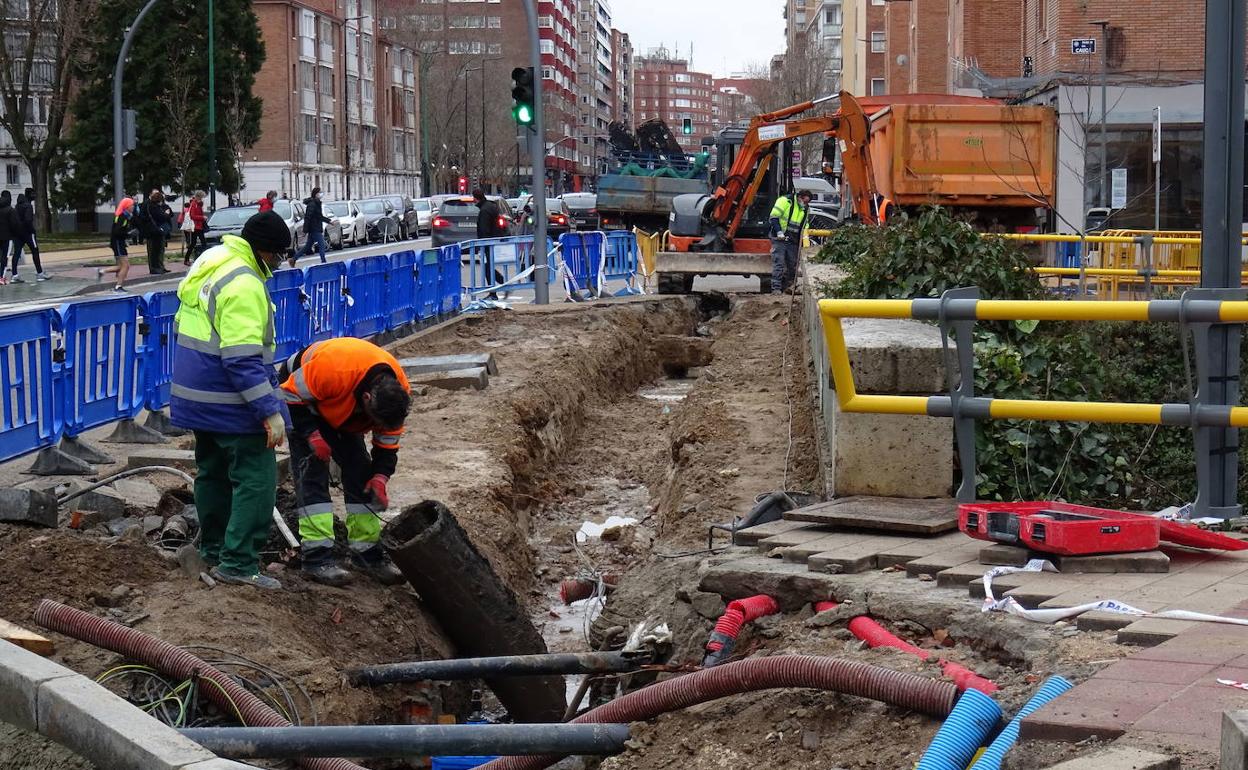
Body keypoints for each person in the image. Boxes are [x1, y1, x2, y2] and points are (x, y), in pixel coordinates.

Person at [170, 210, 292, 590]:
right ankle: (238, 564)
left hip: (197, 397)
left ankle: (213, 547)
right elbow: (241, 359)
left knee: (213, 474)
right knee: (256, 479)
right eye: (279, 255)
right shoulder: (245, 284)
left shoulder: (212, 259)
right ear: (265, 251)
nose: (279, 262)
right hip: (230, 399)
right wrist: (269, 411)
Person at [279, 337, 411, 586]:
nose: (377, 429)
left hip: (341, 406)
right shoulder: (334, 370)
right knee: (312, 475)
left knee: (361, 473)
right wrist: (312, 434)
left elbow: (387, 445)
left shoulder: (397, 396)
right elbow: (290, 392)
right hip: (303, 398)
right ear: (368, 399)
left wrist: (380, 477)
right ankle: (316, 559)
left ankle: (366, 554)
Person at [768, 189, 811, 295]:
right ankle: (776, 289)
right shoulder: (785, 201)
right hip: (780, 238)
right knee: (779, 263)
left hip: (793, 240)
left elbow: (805, 225)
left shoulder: (805, 209)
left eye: (807, 202)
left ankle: (790, 287)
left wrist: (804, 241)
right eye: (804, 201)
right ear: (799, 197)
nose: (805, 204)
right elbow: (774, 217)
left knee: (792, 265)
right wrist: (779, 231)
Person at [290, 186, 332, 268]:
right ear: (316, 194)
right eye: (320, 192)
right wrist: (305, 230)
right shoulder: (312, 204)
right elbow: (308, 217)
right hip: (314, 228)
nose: (321, 194)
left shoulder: (316, 203)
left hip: (315, 227)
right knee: (322, 244)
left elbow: (319, 216)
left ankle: (293, 259)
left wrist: (329, 221)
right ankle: (323, 261)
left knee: (307, 247)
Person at [10, 189, 47, 282]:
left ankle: (14, 275)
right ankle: (40, 274)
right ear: (29, 195)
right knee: (35, 251)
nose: (34, 196)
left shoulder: (17, 206)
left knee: (17, 253)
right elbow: (28, 220)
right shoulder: (28, 206)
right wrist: (32, 231)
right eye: (33, 194)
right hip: (28, 233)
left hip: (18, 234)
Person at [100, 198, 136, 292]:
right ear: (127, 207)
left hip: (118, 243)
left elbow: (120, 230)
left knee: (121, 266)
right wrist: (129, 234)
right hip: (118, 243)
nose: (133, 207)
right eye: (132, 205)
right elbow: (117, 231)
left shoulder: (124, 216)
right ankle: (118, 286)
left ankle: (102, 272)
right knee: (126, 266)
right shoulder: (122, 217)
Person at [140, 190, 171, 275]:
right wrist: (166, 214)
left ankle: (159, 267)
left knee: (158, 249)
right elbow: (161, 216)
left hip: (156, 230)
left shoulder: (154, 205)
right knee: (153, 250)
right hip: (153, 231)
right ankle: (154, 268)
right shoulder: (150, 205)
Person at [181, 190, 208, 265]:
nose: (202, 199)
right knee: (202, 243)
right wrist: (202, 217)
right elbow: (192, 216)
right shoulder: (194, 204)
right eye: (201, 197)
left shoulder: (198, 204)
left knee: (194, 243)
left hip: (199, 226)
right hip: (196, 226)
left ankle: (187, 259)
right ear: (198, 197)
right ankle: (202, 259)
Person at [0, 191, 17, 286]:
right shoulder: (10, 210)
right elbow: (14, 224)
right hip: (7, 237)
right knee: (5, 257)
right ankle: (1, 277)